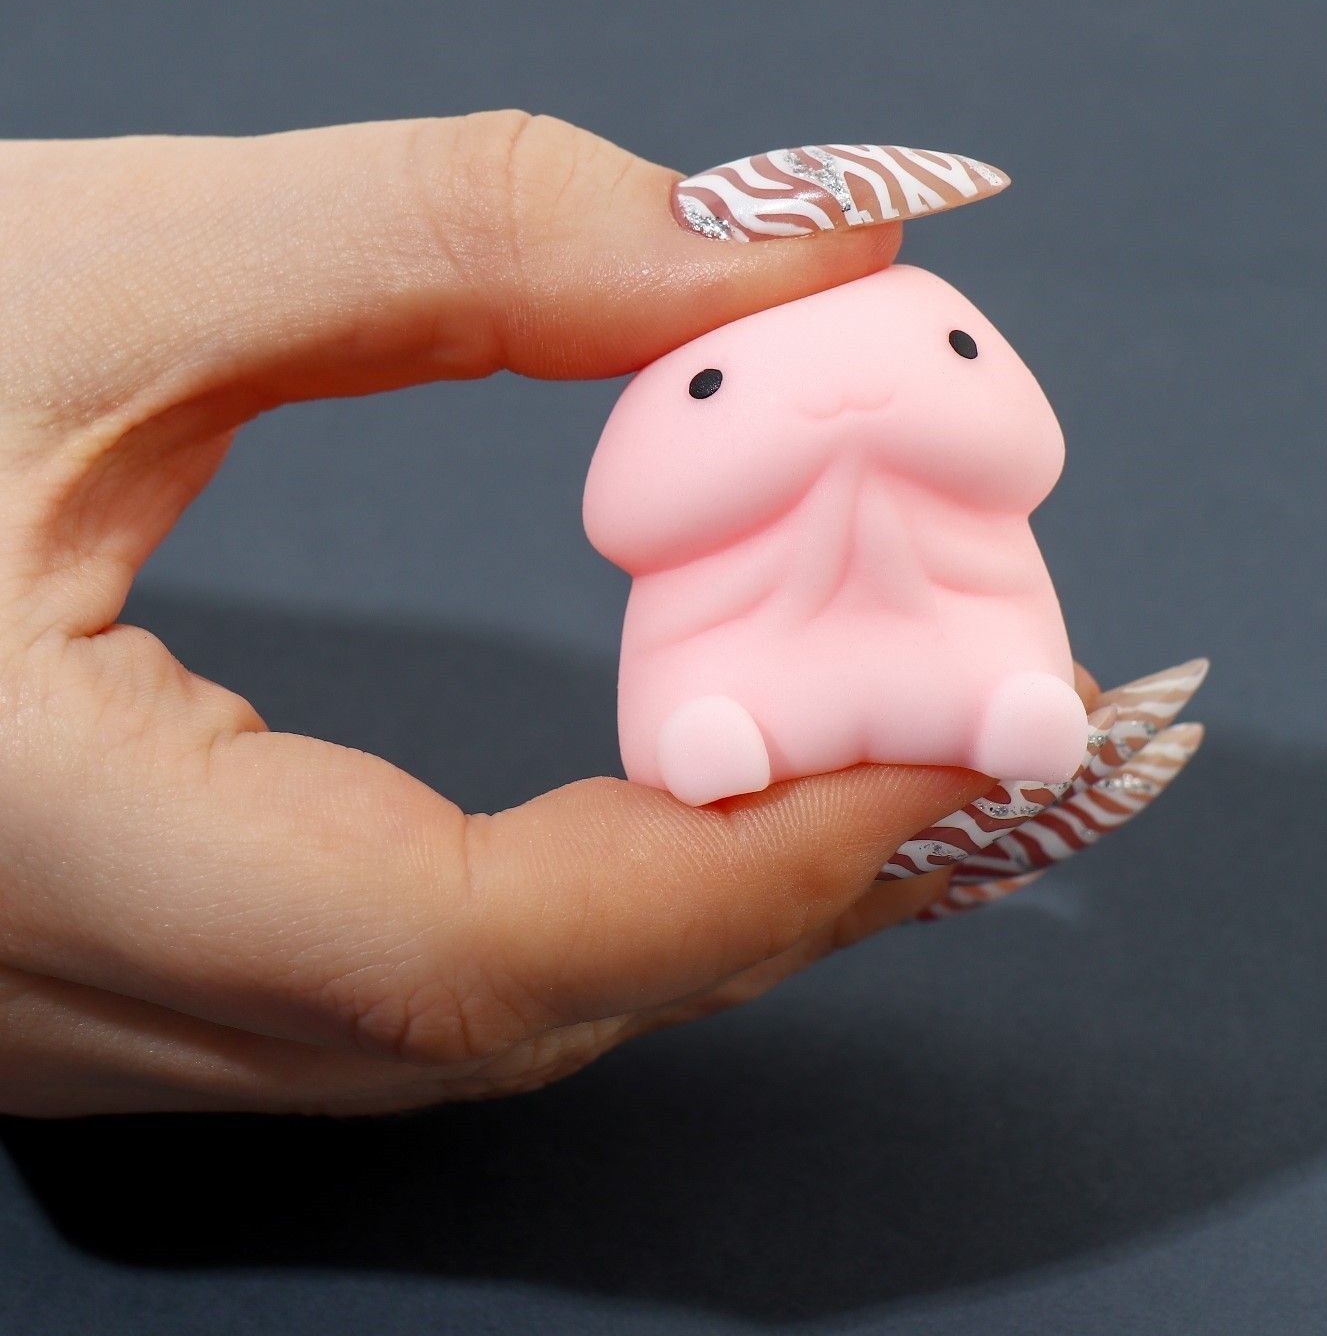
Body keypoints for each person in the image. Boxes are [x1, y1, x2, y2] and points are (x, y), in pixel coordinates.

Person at [0, 114, 1105, 1116]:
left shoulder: (964, 510)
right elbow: (631, 520)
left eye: (956, 352)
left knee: (1004, 656)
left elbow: (1025, 462)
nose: (847, 395)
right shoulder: (702, 548)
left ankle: (1006, 706)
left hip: (961, 645)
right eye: (709, 390)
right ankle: (728, 730)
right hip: (739, 679)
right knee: (709, 691)